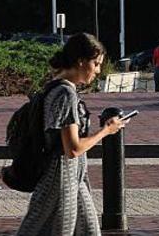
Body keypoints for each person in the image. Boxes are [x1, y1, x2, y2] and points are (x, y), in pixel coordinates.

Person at [17, 32, 126, 236]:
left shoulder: (59, 87)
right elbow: (73, 149)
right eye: (96, 64)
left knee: (90, 231)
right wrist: (106, 131)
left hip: (74, 177)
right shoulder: (65, 93)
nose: (98, 70)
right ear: (81, 62)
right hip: (60, 178)